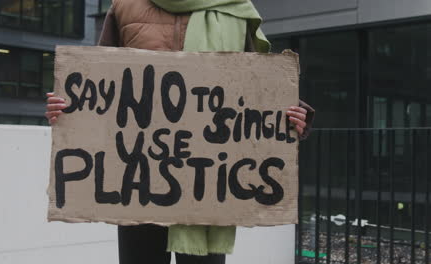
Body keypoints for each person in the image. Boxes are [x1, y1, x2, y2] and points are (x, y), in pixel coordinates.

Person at [45, 0, 315, 263]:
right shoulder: (125, 6)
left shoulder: (235, 10)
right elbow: (98, 87)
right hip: (139, 177)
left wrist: (291, 118)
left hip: (208, 182)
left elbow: (255, 88)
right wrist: (68, 107)